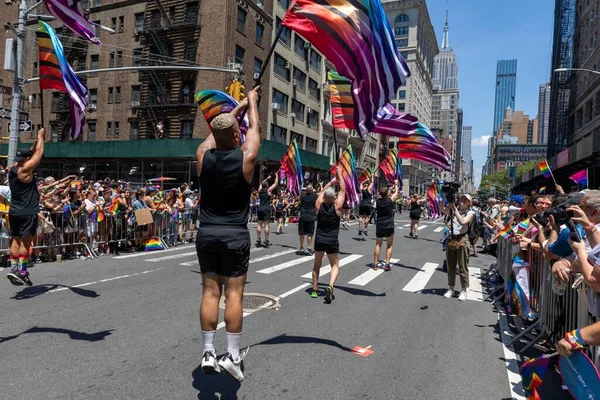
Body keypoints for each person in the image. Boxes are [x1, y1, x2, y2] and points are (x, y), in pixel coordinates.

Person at [194, 86, 260, 382]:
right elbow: (256, 129)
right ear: (237, 136)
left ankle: (208, 351)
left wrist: (238, 109)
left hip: (206, 233)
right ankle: (232, 356)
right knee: (234, 295)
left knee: (210, 292)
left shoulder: (203, 156)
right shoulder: (245, 159)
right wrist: (253, 104)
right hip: (234, 234)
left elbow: (216, 133)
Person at [7, 128, 45, 286]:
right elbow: (38, 154)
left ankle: (14, 268)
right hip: (27, 211)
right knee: (25, 243)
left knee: (15, 241)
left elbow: (31, 152)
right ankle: (22, 272)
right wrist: (41, 137)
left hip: (14, 211)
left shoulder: (13, 168)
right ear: (26, 160)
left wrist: (35, 142)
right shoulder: (25, 171)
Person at [310, 165, 345, 303]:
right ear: (334, 197)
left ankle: (314, 290)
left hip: (319, 239)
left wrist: (329, 183)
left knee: (316, 265)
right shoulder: (336, 207)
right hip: (332, 240)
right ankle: (330, 286)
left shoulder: (318, 205)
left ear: (324, 197)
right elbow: (343, 189)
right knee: (335, 266)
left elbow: (320, 193)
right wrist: (339, 174)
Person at [443, 194, 475, 301]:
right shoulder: (453, 210)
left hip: (462, 239)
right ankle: (451, 288)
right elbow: (440, 209)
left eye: (466, 199)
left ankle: (463, 290)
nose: (463, 200)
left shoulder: (471, 213)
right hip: (451, 239)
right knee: (450, 265)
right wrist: (444, 196)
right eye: (462, 198)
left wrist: (454, 208)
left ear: (469, 203)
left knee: (462, 266)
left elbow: (463, 221)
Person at [373, 180, 400, 271]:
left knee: (378, 244)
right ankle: (387, 264)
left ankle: (376, 264)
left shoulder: (378, 201)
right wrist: (396, 185)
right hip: (389, 225)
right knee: (389, 245)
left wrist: (388, 189)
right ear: (388, 193)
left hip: (380, 225)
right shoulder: (390, 200)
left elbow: (384, 193)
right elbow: (396, 192)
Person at [256, 172, 278, 247]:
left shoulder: (259, 191)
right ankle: (266, 240)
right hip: (266, 209)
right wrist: (277, 176)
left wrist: (266, 178)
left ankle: (258, 238)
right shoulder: (268, 191)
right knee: (266, 225)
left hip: (260, 208)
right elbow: (275, 184)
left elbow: (261, 184)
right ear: (267, 185)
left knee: (259, 224)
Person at [298, 184, 318, 254]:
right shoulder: (315, 196)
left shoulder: (302, 196)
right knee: (310, 234)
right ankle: (309, 247)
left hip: (303, 216)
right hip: (310, 216)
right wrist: (315, 190)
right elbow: (321, 192)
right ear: (312, 190)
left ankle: (301, 247)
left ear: (306, 190)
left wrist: (309, 190)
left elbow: (302, 193)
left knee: (301, 233)